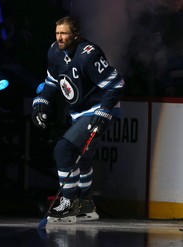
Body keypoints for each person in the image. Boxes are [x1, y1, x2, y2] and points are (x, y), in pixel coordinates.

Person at [31, 16, 125, 223]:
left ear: (76, 34)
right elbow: (52, 81)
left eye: (64, 33)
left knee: (63, 150)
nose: (59, 37)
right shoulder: (54, 51)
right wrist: (41, 101)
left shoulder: (88, 54)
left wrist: (104, 112)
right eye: (57, 33)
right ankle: (86, 205)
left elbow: (116, 83)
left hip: (99, 110)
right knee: (81, 158)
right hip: (79, 112)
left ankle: (68, 204)